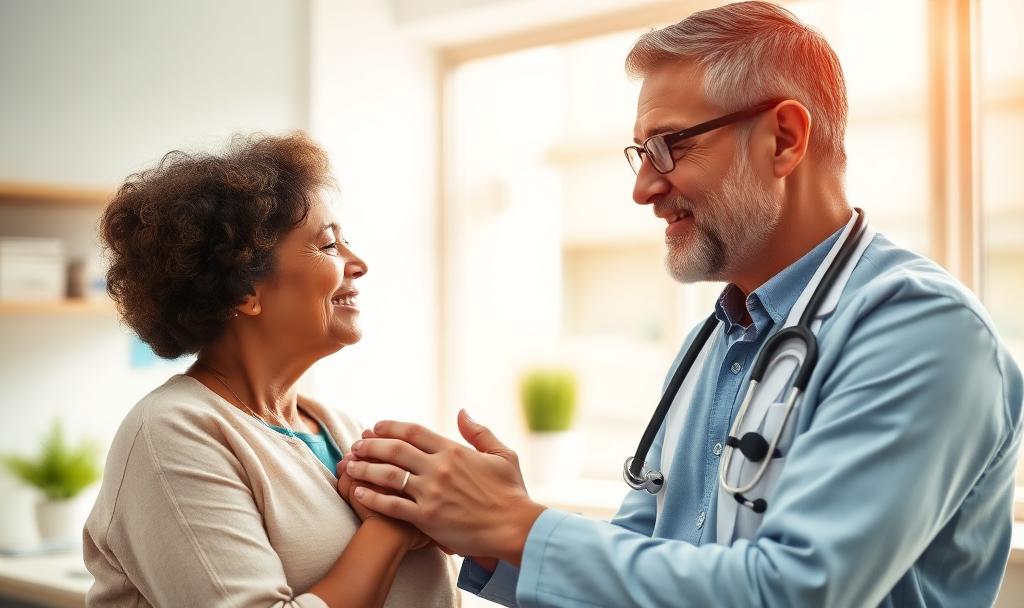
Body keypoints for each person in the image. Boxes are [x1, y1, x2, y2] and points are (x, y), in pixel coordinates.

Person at [341, 2, 1024, 606]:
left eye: (669, 147)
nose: (643, 188)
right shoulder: (716, 342)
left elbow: (797, 591)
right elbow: (651, 565)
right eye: (640, 152)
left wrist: (519, 525)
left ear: (784, 138)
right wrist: (488, 533)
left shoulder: (921, 331)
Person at [84, 133, 457, 607]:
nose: (358, 264)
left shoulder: (342, 429)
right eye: (328, 246)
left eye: (346, 242)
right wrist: (389, 530)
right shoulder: (170, 433)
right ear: (244, 291)